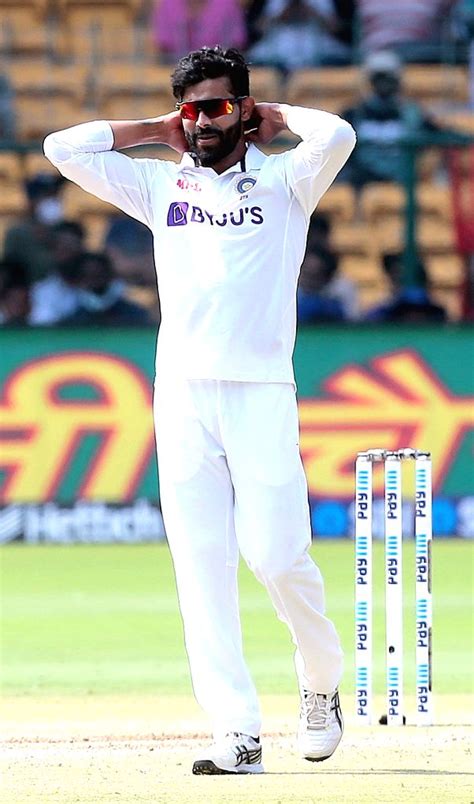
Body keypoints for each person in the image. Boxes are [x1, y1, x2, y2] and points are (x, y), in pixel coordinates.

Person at [43, 45, 355, 775]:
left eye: (215, 106)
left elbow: (337, 135)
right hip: (181, 393)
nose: (201, 122)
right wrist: (155, 127)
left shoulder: (285, 182)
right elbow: (63, 148)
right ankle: (237, 731)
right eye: (193, 109)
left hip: (260, 392)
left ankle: (319, 683)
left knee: (278, 558)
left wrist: (271, 117)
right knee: (200, 567)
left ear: (244, 109)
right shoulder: (160, 186)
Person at [340, 50, 452, 189]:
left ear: (398, 80)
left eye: (389, 78)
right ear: (370, 81)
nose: (384, 84)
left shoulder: (413, 114)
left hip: (404, 184)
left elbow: (441, 134)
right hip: (362, 184)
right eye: (379, 78)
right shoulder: (353, 114)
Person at [247, 0, 352, 72]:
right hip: (277, 53)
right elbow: (257, 28)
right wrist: (281, 15)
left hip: (320, 52)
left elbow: (338, 28)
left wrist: (312, 12)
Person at [3, 172, 66, 283]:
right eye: (46, 195)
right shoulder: (17, 233)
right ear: (31, 200)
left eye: (54, 195)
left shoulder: (67, 230)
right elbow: (10, 272)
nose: (51, 200)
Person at [62, 251, 152, 325]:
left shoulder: (135, 314)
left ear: (110, 276)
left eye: (99, 276)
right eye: (89, 277)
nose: (95, 283)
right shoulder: (74, 320)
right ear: (80, 281)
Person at [29, 220, 86, 325]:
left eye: (71, 248)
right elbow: (44, 325)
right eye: (62, 249)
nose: (68, 255)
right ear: (52, 251)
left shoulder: (99, 285)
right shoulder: (42, 291)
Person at [152, 0, 247, 62]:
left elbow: (236, 44)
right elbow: (162, 46)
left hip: (218, 72)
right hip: (176, 71)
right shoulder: (168, 4)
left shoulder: (228, 4)